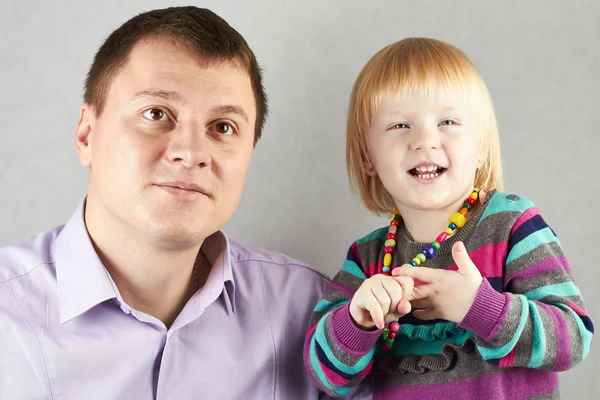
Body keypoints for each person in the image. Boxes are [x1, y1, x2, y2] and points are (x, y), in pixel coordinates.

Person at [0, 6, 330, 399]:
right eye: (156, 113)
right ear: (87, 135)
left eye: (223, 127)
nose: (191, 153)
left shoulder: (316, 314)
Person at [304, 37, 594, 399]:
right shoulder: (368, 258)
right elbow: (325, 378)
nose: (425, 141)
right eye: (399, 126)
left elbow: (573, 338)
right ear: (367, 155)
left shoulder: (511, 224)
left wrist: (480, 307)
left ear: (481, 145)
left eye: (447, 121)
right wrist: (357, 320)